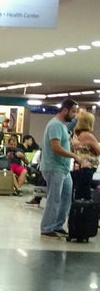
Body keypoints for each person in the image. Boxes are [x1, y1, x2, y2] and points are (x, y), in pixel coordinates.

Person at [39, 98, 82, 239]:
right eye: (73, 112)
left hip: (63, 168)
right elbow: (56, 147)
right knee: (54, 198)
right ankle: (47, 227)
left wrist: (73, 146)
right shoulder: (55, 125)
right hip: (53, 167)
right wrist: (74, 156)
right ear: (65, 110)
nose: (74, 115)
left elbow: (62, 144)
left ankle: (57, 225)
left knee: (66, 197)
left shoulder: (63, 125)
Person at [70, 111, 100, 200]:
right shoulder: (88, 135)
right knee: (85, 191)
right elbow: (98, 151)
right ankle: (85, 211)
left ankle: (78, 211)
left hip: (78, 166)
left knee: (79, 191)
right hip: (88, 167)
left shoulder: (75, 136)